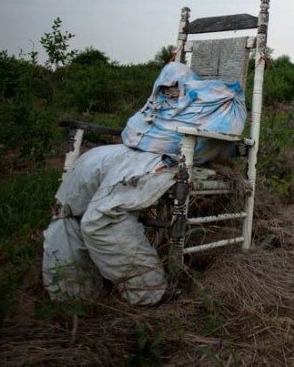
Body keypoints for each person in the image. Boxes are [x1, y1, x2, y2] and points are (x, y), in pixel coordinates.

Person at [42, 63, 246, 305]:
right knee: (71, 198)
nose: (169, 90)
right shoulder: (159, 102)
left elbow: (221, 137)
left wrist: (173, 141)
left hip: (170, 157)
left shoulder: (221, 101)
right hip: (135, 151)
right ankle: (73, 286)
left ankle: (148, 290)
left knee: (102, 217)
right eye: (166, 86)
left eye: (174, 86)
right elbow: (134, 130)